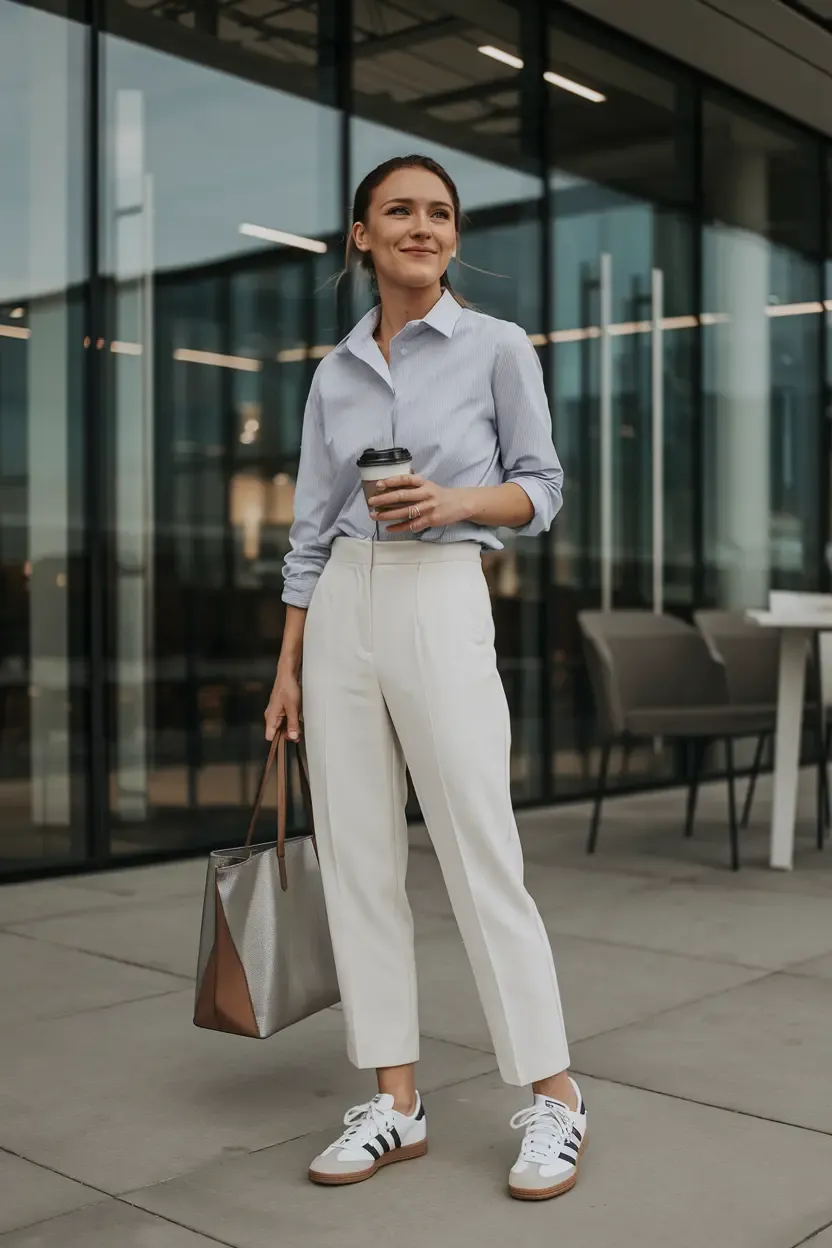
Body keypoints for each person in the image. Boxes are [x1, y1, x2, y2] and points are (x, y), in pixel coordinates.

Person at [265, 154, 585, 1201]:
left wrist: (452, 503)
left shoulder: (498, 347)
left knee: (478, 849)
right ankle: (396, 1103)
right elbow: (309, 533)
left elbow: (542, 490)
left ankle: (555, 1098)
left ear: (452, 236)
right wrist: (287, 665)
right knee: (356, 857)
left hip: (442, 591)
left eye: (438, 213)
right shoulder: (334, 372)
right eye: (398, 211)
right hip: (344, 601)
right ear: (360, 235)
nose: (421, 226)